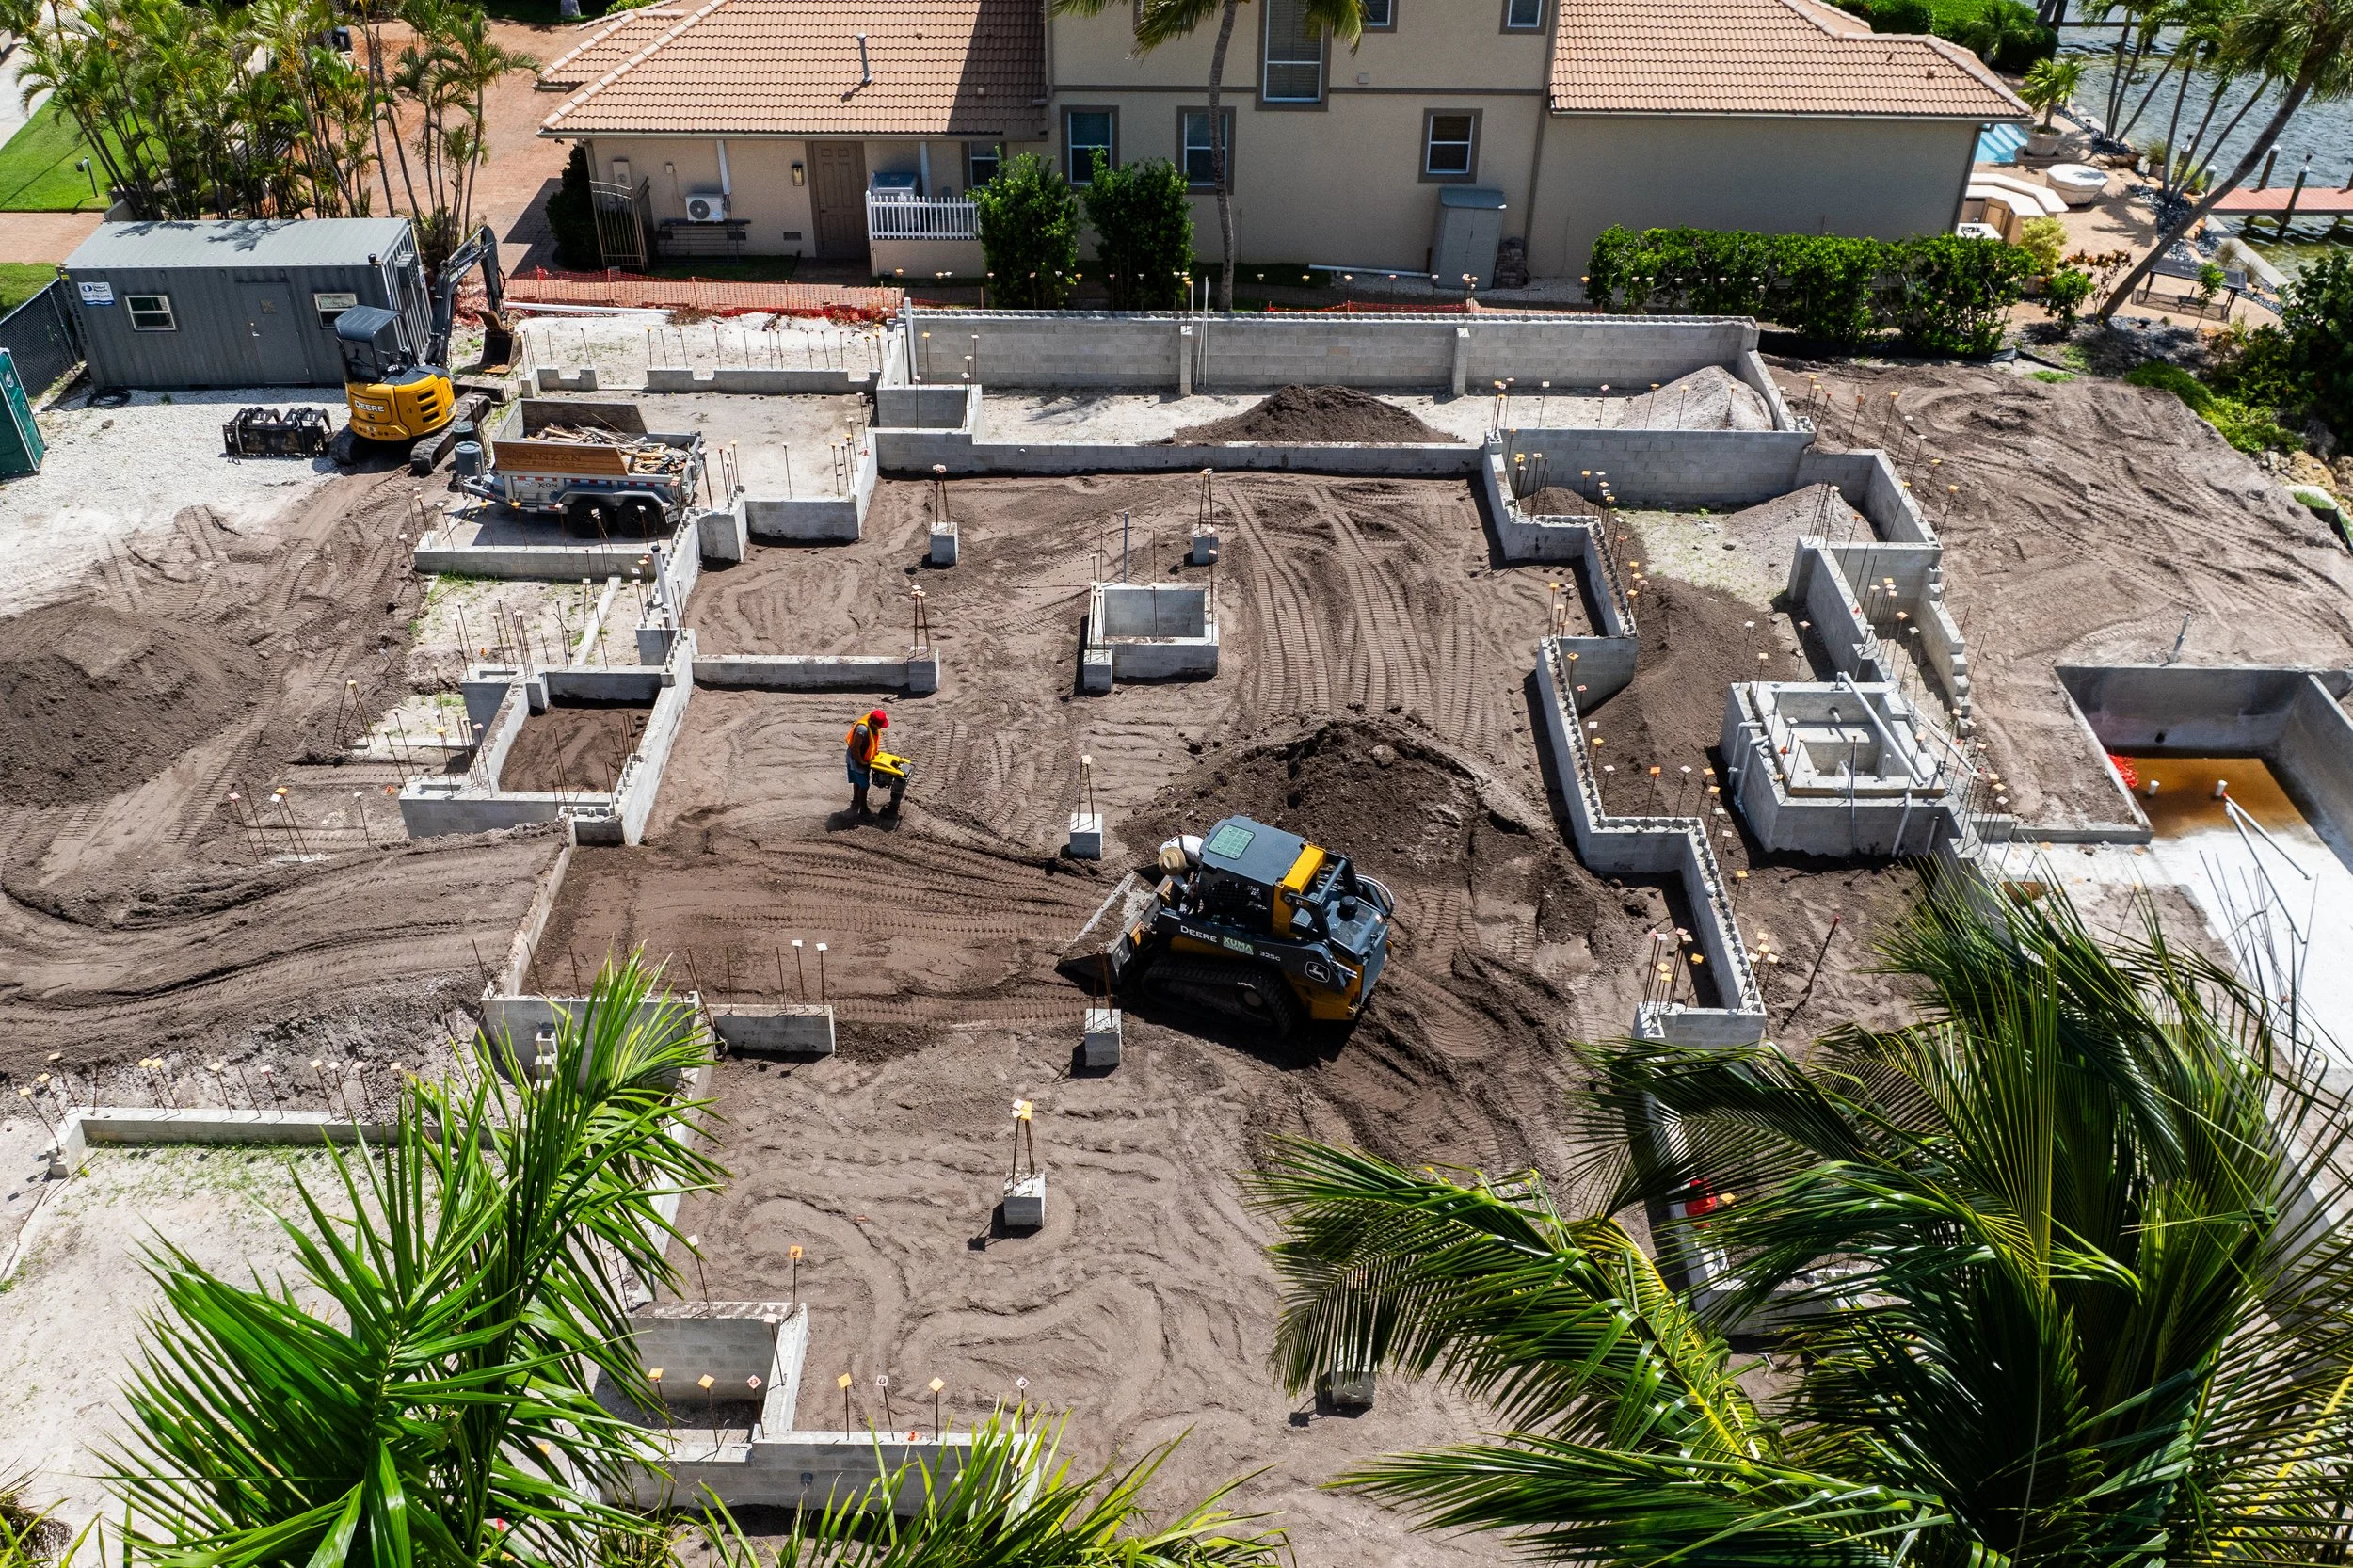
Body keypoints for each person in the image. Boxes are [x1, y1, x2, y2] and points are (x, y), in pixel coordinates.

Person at [844, 708, 888, 816]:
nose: (881, 728)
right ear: (873, 723)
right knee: (864, 785)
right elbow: (855, 748)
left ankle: (855, 801)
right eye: (880, 725)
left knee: (858, 781)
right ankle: (863, 810)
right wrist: (861, 762)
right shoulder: (862, 730)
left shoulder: (873, 722)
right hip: (857, 758)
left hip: (863, 756)